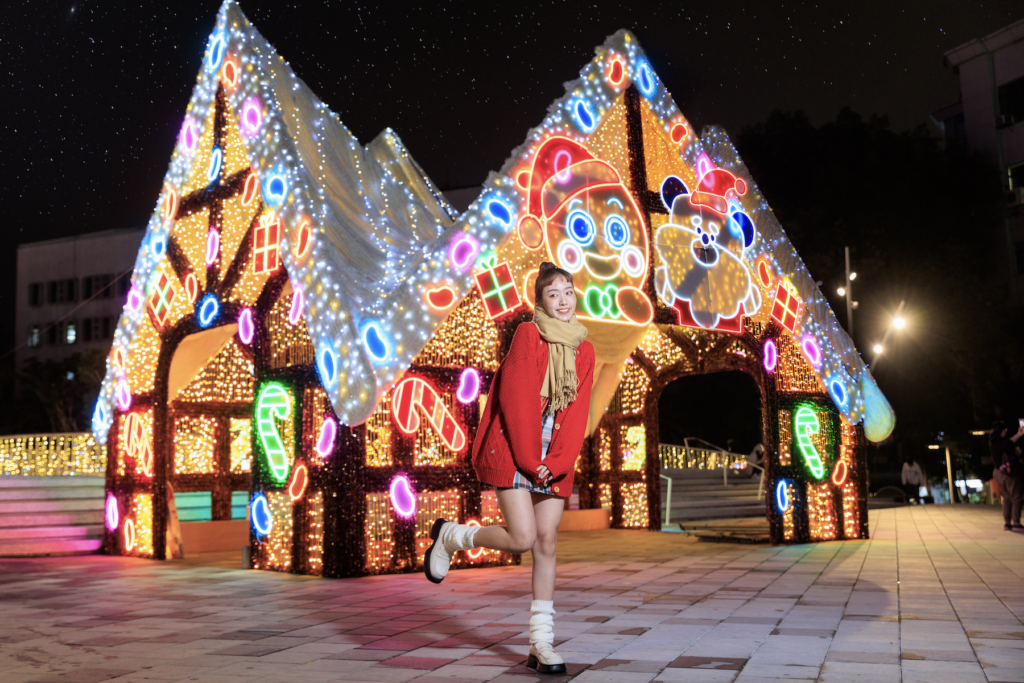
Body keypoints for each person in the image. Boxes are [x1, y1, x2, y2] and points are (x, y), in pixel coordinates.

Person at [423, 262, 595, 674]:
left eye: (568, 292)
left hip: (551, 461)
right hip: (519, 451)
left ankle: (542, 644)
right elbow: (516, 402)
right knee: (522, 538)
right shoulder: (527, 335)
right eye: (553, 294)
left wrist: (555, 464)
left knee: (547, 543)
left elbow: (578, 415)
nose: (563, 300)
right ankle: (452, 536)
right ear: (540, 301)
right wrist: (530, 460)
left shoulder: (584, 349)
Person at [991, 421, 1024, 530]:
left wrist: (1018, 435)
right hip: (1008, 473)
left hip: (997, 473)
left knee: (1007, 498)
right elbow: (1011, 451)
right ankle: (1016, 522)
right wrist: (1018, 451)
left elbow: (1008, 442)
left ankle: (1007, 522)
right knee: (1016, 497)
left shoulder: (993, 443)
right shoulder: (1005, 443)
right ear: (1002, 431)